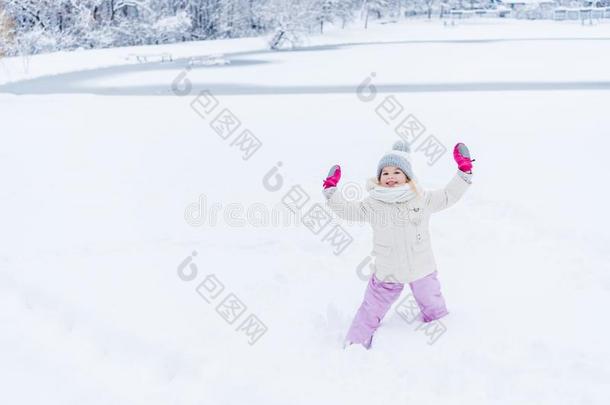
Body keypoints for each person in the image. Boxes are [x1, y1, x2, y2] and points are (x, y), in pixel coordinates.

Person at [322, 141, 474, 349]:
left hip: (422, 268)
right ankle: (355, 343)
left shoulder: (421, 198)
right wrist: (331, 190)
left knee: (433, 304)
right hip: (388, 272)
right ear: (379, 178)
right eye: (385, 173)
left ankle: (443, 343)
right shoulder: (373, 204)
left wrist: (463, 171)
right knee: (371, 309)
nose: (390, 176)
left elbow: (449, 195)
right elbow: (347, 210)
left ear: (408, 176)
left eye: (396, 172)